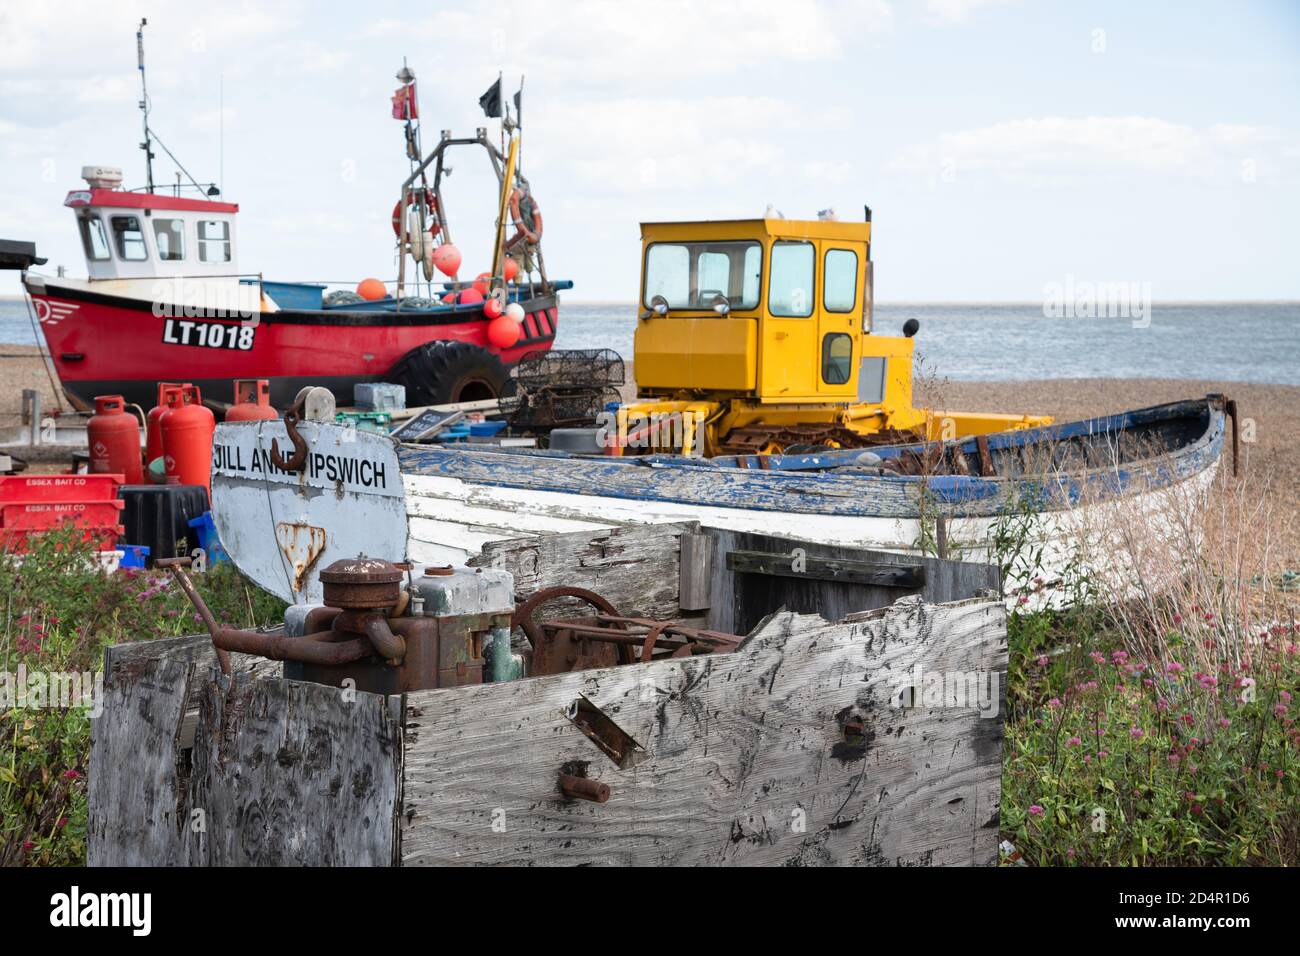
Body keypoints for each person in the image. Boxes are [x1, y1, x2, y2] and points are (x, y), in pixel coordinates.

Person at [505, 176, 543, 278]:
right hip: (529, 235)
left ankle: (521, 275)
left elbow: (514, 201)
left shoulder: (527, 201)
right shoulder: (528, 201)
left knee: (519, 258)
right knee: (524, 258)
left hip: (528, 235)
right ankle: (525, 272)